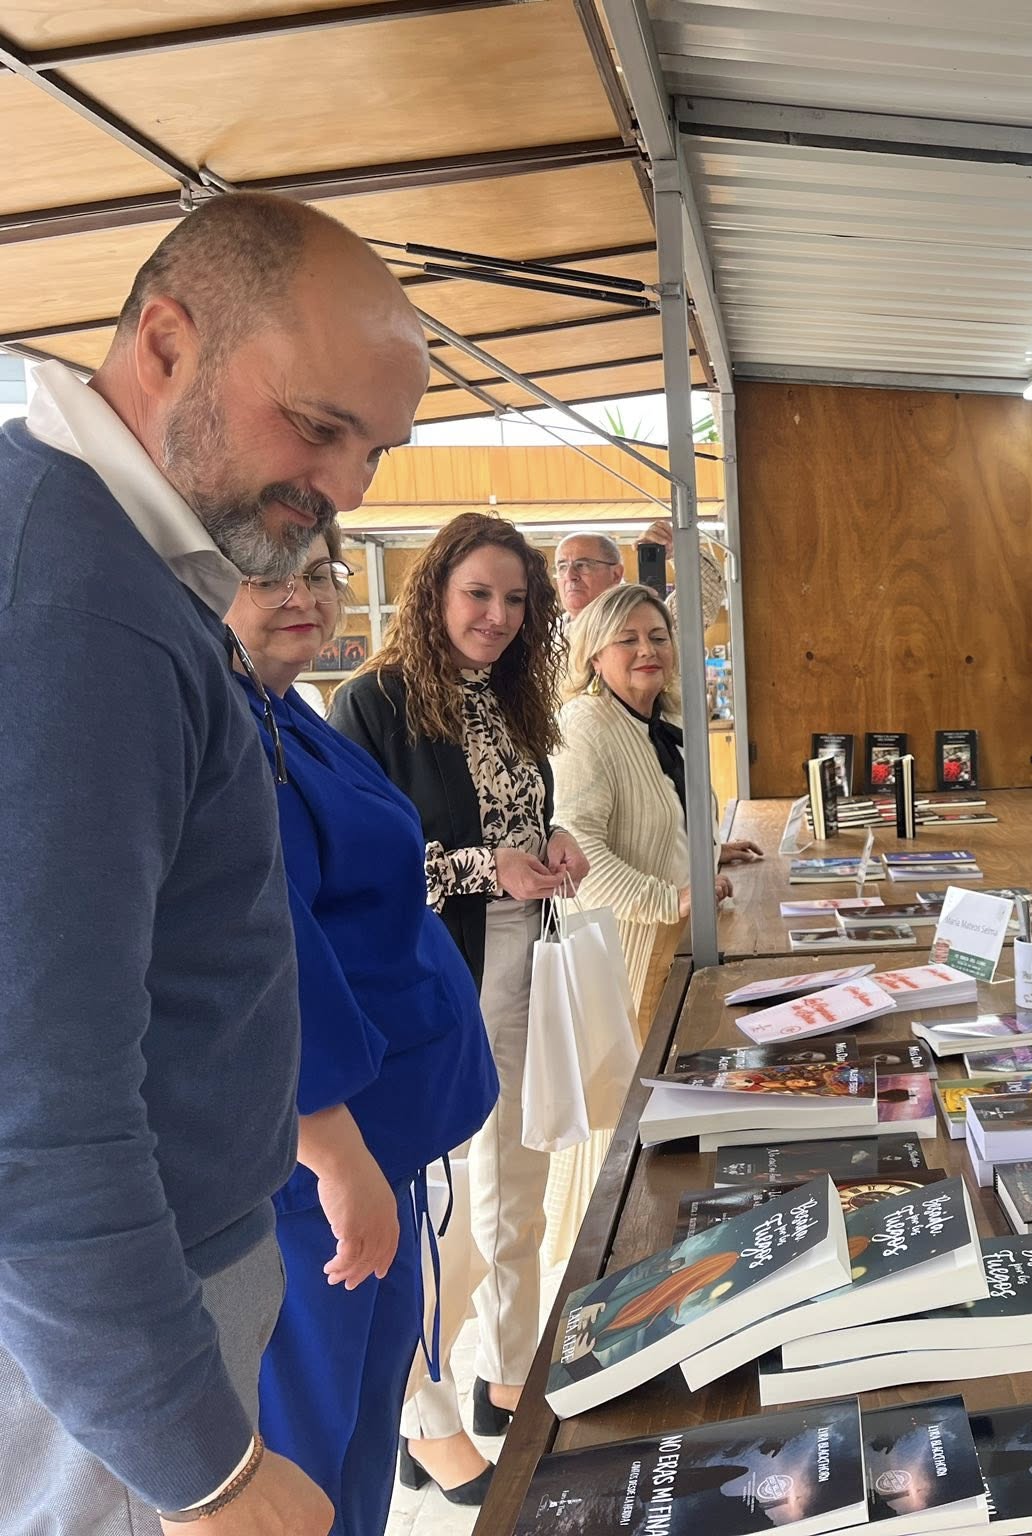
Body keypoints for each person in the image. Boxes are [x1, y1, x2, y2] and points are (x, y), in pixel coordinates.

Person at [0, 192, 425, 1534]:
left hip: (158, 1292)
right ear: (168, 343)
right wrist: (205, 1469)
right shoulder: (73, 603)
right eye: (317, 427)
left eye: (374, 451)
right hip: (114, 1343)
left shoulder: (114, 566)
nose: (344, 492)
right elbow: (30, 1092)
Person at [225, 530, 498, 1527]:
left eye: (319, 572)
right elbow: (259, 955)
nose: (302, 595)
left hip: (383, 1143)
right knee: (307, 1444)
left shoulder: (284, 709)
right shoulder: (224, 733)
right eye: (268, 574)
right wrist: (333, 1155)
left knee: (362, 1432)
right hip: (315, 1175)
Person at [330, 512, 589, 1495]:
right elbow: (371, 869)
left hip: (530, 959)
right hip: (440, 971)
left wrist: (553, 839)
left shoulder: (514, 700)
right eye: (478, 594)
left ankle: (506, 1370)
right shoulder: (374, 703)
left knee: (516, 1193)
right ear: (434, 589)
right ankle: (424, 1413)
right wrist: (492, 868)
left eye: (515, 600)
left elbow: (520, 816)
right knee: (439, 1208)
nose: (496, 616)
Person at [555, 582, 746, 1015]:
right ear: (594, 656)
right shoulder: (584, 726)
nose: (647, 650)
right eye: (627, 639)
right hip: (627, 955)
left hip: (679, 940)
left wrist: (709, 849)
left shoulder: (664, 717)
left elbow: (660, 811)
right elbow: (578, 850)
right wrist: (669, 899)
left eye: (658, 638)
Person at [554, 530, 624, 617]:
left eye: (582, 565)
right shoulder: (547, 629)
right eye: (563, 567)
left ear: (616, 575)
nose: (569, 576)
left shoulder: (635, 626)